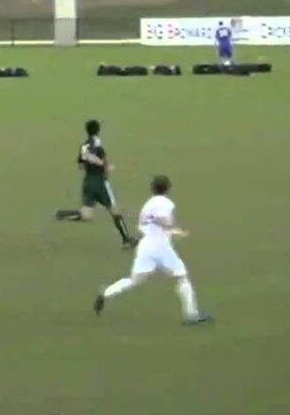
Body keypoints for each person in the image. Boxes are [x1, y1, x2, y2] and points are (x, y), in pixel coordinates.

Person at [93, 175, 211, 325]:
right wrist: (174, 229)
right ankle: (191, 315)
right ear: (168, 188)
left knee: (135, 280)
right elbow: (161, 220)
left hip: (146, 246)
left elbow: (145, 225)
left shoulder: (147, 204)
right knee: (182, 277)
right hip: (160, 246)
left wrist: (173, 231)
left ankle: (106, 293)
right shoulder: (166, 203)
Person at [56, 120, 136, 249]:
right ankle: (127, 240)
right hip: (100, 183)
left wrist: (91, 164)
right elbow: (99, 159)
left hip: (88, 182)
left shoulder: (83, 146)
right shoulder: (98, 143)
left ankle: (63, 214)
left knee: (86, 215)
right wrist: (106, 166)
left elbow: (80, 165)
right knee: (115, 211)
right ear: (98, 130)